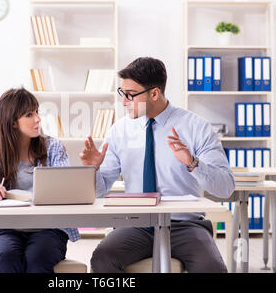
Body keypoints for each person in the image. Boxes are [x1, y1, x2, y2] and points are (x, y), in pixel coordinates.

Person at [80, 57, 235, 273]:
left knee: (212, 267)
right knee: (103, 259)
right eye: (122, 93)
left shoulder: (196, 127)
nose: (123, 101)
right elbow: (99, 191)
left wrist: (193, 163)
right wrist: (93, 170)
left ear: (154, 93)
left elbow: (225, 188)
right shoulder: (119, 131)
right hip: (136, 224)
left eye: (130, 95)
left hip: (184, 225)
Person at [0, 88, 79, 273]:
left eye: (37, 112)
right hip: (5, 227)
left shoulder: (53, 147)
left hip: (48, 227)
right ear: (13, 122)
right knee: (4, 257)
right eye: (29, 114)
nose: (38, 119)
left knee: (37, 258)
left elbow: (66, 187)